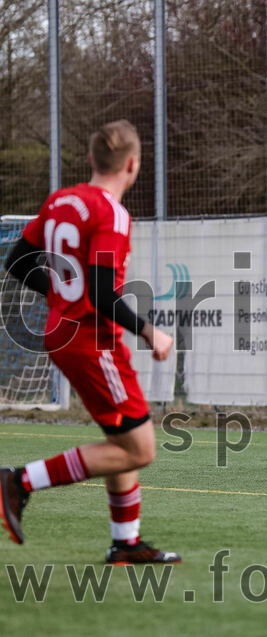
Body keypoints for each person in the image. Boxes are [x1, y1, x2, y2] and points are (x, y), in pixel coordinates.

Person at [0, 120, 181, 564]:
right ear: (133, 164)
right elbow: (101, 293)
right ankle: (19, 482)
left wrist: (59, 295)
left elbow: (17, 261)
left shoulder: (61, 200)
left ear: (91, 160)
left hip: (64, 333)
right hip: (90, 341)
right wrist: (149, 331)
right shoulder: (111, 213)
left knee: (120, 440)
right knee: (139, 448)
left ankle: (126, 542)